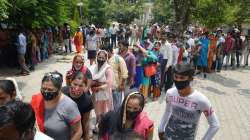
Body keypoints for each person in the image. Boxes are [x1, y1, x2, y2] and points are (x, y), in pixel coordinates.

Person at [158, 63, 219, 140]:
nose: (178, 80)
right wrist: (161, 128)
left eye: (182, 77)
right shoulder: (170, 93)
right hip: (168, 136)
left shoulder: (201, 100)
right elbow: (167, 111)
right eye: (176, 77)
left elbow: (215, 125)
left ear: (191, 78)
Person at [31, 71, 82, 140]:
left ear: (59, 89)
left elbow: (78, 132)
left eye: (50, 90)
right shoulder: (37, 100)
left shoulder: (69, 106)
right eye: (43, 88)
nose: (46, 92)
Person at [62, 72, 93, 140]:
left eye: (81, 85)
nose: (77, 88)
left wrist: (86, 137)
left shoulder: (87, 100)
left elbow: (86, 121)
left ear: (85, 86)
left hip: (77, 132)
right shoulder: (62, 92)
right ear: (71, 82)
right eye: (75, 84)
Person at [90, 50, 114, 129]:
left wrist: (98, 87)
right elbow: (90, 79)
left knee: (104, 112)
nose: (100, 59)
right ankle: (98, 126)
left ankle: (104, 128)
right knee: (97, 112)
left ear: (106, 58)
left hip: (105, 95)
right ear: (96, 57)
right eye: (99, 57)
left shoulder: (108, 69)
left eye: (102, 58)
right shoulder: (93, 68)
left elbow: (109, 84)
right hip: (95, 94)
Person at [103, 45, 128, 110]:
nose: (102, 54)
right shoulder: (103, 59)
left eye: (104, 52)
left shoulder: (118, 59)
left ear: (108, 51)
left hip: (116, 88)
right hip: (106, 88)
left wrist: (122, 85)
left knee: (117, 107)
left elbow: (124, 73)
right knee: (109, 107)